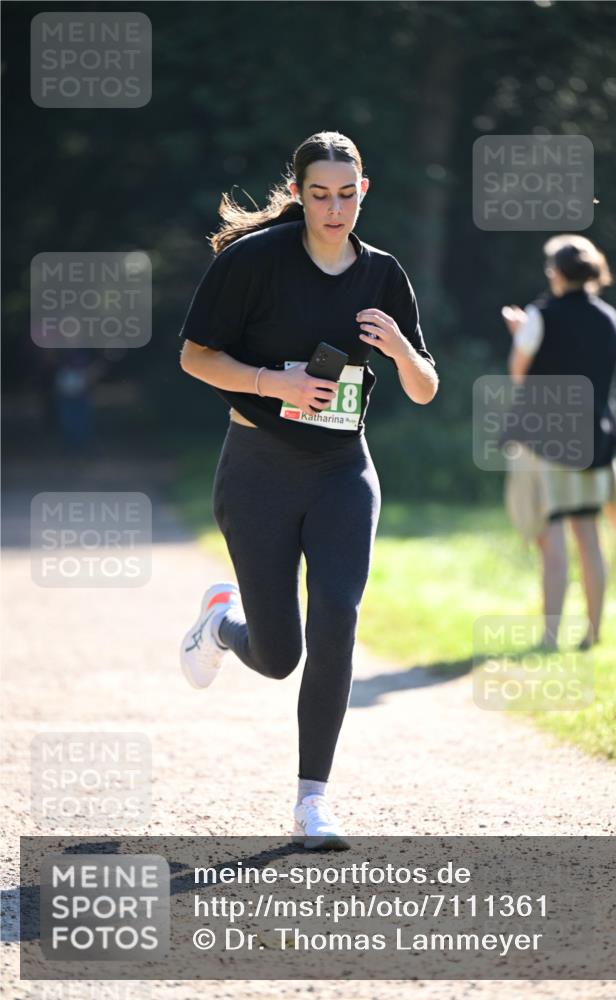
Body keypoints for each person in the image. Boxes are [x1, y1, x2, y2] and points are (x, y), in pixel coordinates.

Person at [177, 131, 438, 849]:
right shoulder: (253, 261)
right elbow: (195, 357)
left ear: (365, 190)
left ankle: (311, 802)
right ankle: (221, 627)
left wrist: (403, 351)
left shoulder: (382, 273)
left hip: (341, 472)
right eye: (319, 195)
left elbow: (423, 389)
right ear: (297, 193)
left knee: (337, 621)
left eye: (347, 194)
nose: (334, 209)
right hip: (257, 469)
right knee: (278, 654)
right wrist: (274, 382)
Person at [501, 234, 616, 651]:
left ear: (556, 272)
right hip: (595, 438)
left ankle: (550, 635)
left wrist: (520, 334)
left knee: (551, 537)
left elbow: (519, 374)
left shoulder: (540, 315)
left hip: (546, 441)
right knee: (589, 537)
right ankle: (593, 633)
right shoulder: (610, 317)